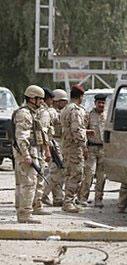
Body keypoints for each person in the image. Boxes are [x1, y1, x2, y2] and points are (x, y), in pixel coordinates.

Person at [11, 85, 46, 223]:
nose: (42, 102)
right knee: (29, 183)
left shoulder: (30, 113)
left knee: (23, 183)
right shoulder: (25, 114)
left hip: (28, 152)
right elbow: (22, 137)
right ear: (32, 99)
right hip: (26, 153)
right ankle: (25, 214)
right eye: (40, 99)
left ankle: (22, 211)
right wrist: (26, 155)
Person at [60, 84, 88, 213]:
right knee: (76, 174)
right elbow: (76, 130)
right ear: (80, 96)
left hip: (66, 146)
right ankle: (68, 202)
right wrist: (84, 146)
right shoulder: (76, 110)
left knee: (69, 174)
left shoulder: (66, 108)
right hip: (74, 148)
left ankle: (68, 200)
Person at [78, 94, 107, 208]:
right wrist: (84, 147)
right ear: (95, 103)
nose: (101, 105)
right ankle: (83, 198)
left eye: (103, 103)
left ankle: (98, 199)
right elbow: (81, 130)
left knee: (102, 176)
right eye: (99, 102)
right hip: (91, 149)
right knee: (89, 174)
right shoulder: (88, 115)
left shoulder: (107, 116)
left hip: (104, 149)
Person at [42, 89, 68, 206]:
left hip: (57, 142)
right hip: (54, 142)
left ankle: (58, 198)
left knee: (57, 171)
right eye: (63, 101)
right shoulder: (52, 112)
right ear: (57, 101)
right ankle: (42, 194)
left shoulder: (54, 111)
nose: (65, 104)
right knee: (57, 170)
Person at [32, 87, 55, 215]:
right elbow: (44, 132)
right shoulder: (43, 112)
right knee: (39, 177)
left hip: (36, 147)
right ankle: (37, 205)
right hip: (39, 148)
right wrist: (47, 150)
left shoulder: (33, 111)